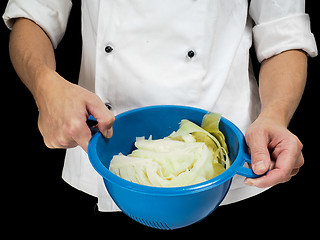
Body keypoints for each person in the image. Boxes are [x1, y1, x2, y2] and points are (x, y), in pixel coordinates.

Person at [3, 0, 317, 212]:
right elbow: (32, 13)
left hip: (231, 172)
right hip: (97, 154)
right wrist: (45, 85)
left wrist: (274, 115)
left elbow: (283, 33)